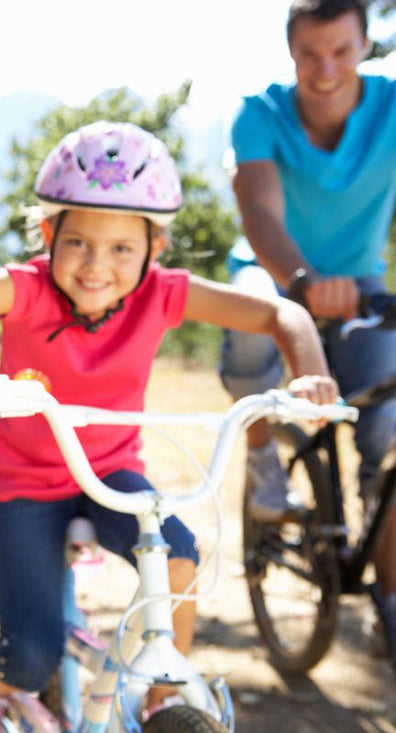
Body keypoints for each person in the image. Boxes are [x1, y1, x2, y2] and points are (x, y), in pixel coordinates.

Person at [0, 121, 339, 731]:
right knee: (27, 657)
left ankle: (164, 689)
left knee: (179, 553)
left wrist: (309, 374)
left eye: (122, 249)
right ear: (49, 233)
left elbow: (279, 313)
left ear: (155, 250)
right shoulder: (25, 288)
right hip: (25, 486)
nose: (96, 266)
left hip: (111, 472)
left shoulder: (161, 294)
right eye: (78, 243)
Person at [218, 0, 396, 638]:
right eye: (309, 53)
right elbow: (260, 213)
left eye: (342, 51)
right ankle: (263, 458)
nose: (326, 68)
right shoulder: (260, 113)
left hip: (361, 285)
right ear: (291, 52)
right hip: (276, 270)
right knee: (248, 317)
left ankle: (390, 598)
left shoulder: (392, 106)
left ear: (366, 45)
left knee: (386, 440)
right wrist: (301, 284)